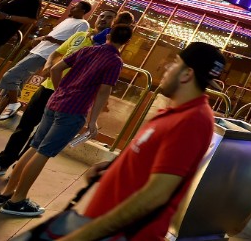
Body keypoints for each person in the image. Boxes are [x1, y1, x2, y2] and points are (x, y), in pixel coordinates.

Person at [57, 42, 226, 241]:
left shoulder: (192, 121)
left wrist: (84, 236)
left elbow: (156, 195)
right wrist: (116, 168)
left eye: (174, 64)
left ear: (186, 74)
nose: (166, 68)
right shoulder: (174, 112)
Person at [0, 24, 132, 216]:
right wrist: (93, 121)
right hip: (73, 110)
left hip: (55, 103)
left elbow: (56, 69)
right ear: (127, 42)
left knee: (35, 146)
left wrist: (60, 90)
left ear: (108, 35)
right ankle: (17, 201)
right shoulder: (115, 61)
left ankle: (6, 193)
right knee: (44, 152)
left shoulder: (87, 50)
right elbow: (103, 91)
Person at [0, 11, 124, 179]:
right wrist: (50, 64)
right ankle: (2, 163)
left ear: (115, 23)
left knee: (40, 138)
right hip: (48, 88)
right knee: (24, 126)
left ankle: (20, 169)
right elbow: (58, 52)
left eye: (109, 17)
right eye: (101, 16)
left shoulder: (108, 49)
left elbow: (104, 85)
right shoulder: (81, 35)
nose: (103, 19)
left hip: (68, 98)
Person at [0, 0, 92, 124]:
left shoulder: (83, 24)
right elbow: (53, 37)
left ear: (83, 11)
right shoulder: (67, 20)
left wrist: (54, 41)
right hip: (38, 50)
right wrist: (40, 39)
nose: (72, 7)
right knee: (17, 81)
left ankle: (14, 103)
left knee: (10, 77)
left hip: (45, 55)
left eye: (76, 7)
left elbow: (74, 44)